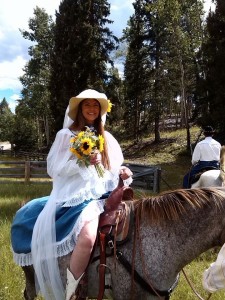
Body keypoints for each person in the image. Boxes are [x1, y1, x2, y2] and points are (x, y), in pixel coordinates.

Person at [11, 89, 133, 300]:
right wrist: (80, 162)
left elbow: (112, 167)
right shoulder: (66, 136)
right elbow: (54, 168)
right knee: (87, 237)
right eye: (87, 105)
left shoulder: (107, 137)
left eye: (96, 105)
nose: (92, 109)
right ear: (79, 109)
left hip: (105, 193)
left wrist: (122, 171)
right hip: (78, 195)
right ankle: (73, 293)